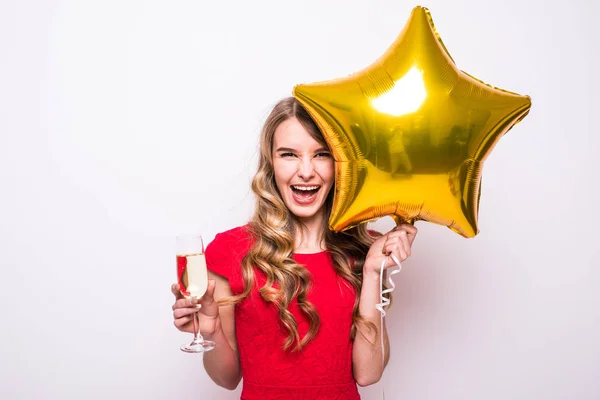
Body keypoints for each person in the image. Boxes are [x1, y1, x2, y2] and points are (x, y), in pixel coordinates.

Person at [171, 97, 417, 399]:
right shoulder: (230, 250)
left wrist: (372, 271)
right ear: (271, 163)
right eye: (289, 154)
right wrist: (211, 332)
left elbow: (368, 374)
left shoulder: (367, 251)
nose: (305, 171)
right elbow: (226, 378)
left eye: (321, 154)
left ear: (340, 165)